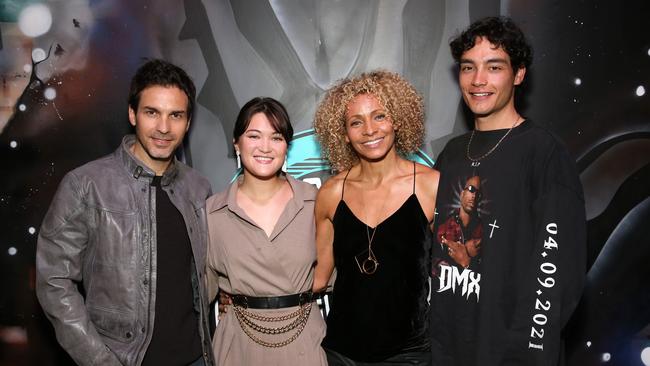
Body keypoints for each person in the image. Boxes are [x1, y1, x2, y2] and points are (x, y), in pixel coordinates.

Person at [35, 59, 214, 366]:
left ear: (187, 122)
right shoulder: (87, 185)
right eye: (151, 112)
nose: (163, 127)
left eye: (176, 115)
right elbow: (53, 281)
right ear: (133, 114)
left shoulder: (198, 188)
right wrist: (99, 361)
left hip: (195, 358)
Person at [429, 16, 586, 365]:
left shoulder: (543, 153)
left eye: (494, 67)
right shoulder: (452, 153)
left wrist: (526, 353)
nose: (478, 80)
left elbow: (557, 271)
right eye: (468, 67)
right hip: (446, 351)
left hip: (511, 356)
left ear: (519, 74)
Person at [313, 70, 439, 365]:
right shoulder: (331, 194)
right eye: (356, 122)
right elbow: (317, 279)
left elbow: (459, 274)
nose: (369, 130)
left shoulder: (430, 186)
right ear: (343, 133)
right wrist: (246, 294)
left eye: (379, 116)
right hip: (342, 353)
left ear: (396, 119)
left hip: (408, 354)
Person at [205, 97, 327, 366]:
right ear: (236, 143)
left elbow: (338, 274)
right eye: (254, 136)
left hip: (302, 341)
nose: (265, 147)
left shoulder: (315, 202)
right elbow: (202, 288)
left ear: (286, 147)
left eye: (276, 137)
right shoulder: (212, 213)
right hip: (239, 345)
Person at [436, 175, 483, 270]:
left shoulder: (484, 232)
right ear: (462, 194)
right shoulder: (443, 228)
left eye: (478, 193)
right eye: (471, 189)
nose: (474, 195)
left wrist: (468, 261)